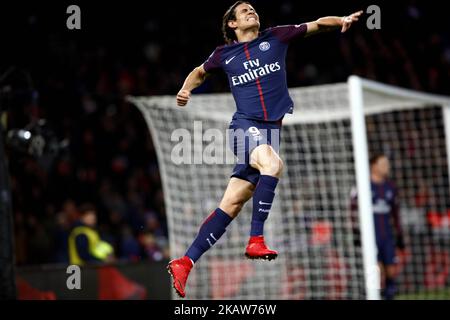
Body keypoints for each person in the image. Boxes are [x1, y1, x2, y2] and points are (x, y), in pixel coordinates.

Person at [168, 1, 363, 298]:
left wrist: (341, 20)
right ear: (232, 24)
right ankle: (256, 239)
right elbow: (199, 71)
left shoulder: (277, 37)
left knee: (231, 205)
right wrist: (185, 89)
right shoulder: (224, 54)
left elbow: (317, 24)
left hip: (269, 133)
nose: (252, 12)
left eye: (253, 9)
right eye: (244, 11)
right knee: (273, 166)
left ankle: (185, 261)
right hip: (244, 127)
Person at [351, 154, 405, 299]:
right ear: (373, 166)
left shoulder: (391, 187)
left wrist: (400, 234)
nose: (386, 167)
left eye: (387, 164)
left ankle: (389, 295)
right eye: (383, 164)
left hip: (387, 235)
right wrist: (355, 231)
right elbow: (352, 209)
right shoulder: (362, 185)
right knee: (375, 270)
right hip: (370, 236)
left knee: (391, 271)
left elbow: (396, 213)